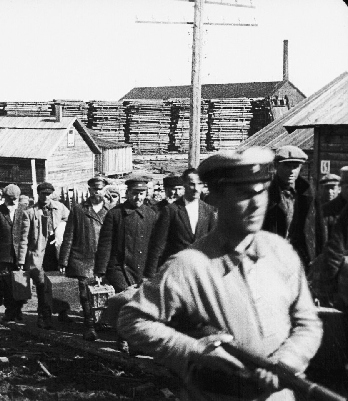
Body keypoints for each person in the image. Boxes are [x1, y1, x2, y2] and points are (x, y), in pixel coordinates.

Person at [118, 147, 323, 400]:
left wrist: (286, 362)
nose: (256, 204)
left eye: (262, 192)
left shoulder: (281, 253)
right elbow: (132, 319)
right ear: (215, 198)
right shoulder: (190, 265)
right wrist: (194, 350)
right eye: (243, 194)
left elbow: (308, 322)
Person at [94, 176, 157, 353]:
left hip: (142, 268)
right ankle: (123, 338)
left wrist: (152, 270)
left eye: (142, 193)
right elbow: (105, 243)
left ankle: (137, 340)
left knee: (141, 305)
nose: (138, 197)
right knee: (126, 301)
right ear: (127, 193)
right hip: (119, 267)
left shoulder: (151, 215)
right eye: (135, 193)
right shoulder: (115, 214)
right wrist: (100, 270)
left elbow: (156, 245)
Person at [59, 177, 111, 341]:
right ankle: (89, 326)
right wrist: (63, 260)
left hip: (105, 258)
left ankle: (100, 321)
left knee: (104, 292)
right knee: (85, 294)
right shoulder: (79, 210)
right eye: (94, 189)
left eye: (100, 189)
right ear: (89, 190)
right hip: (83, 257)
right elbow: (69, 235)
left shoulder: (111, 210)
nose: (97, 192)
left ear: (104, 190)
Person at [145, 168, 217, 277]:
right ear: (184, 185)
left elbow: (214, 243)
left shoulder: (208, 210)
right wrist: (149, 275)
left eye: (200, 184)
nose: (196, 188)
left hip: (200, 272)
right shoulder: (170, 210)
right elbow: (157, 246)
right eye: (192, 184)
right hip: (175, 271)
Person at [262, 145, 324, 270]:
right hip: (272, 257)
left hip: (301, 257)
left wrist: (319, 257)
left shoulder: (308, 193)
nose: (291, 171)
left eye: (295, 166)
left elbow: (319, 228)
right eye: (286, 166)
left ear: (300, 168)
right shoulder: (266, 194)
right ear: (276, 166)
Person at [18, 182, 70, 329]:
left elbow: (70, 222)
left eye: (48, 194)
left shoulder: (60, 208)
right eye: (43, 194)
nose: (46, 197)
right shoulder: (30, 212)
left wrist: (60, 230)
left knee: (59, 282)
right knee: (42, 286)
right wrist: (21, 260)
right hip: (38, 254)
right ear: (38, 194)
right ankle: (43, 316)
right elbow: (24, 238)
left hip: (56, 252)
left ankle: (62, 312)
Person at [0, 184, 27, 322]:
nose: (13, 202)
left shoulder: (24, 210)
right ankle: (10, 310)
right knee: (7, 284)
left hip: (21, 254)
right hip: (4, 255)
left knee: (20, 283)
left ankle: (18, 309)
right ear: (5, 198)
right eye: (10, 199)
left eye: (15, 199)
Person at [322, 167, 348, 242]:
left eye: (332, 188)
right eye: (347, 187)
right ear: (341, 187)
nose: (329, 192)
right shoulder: (326, 210)